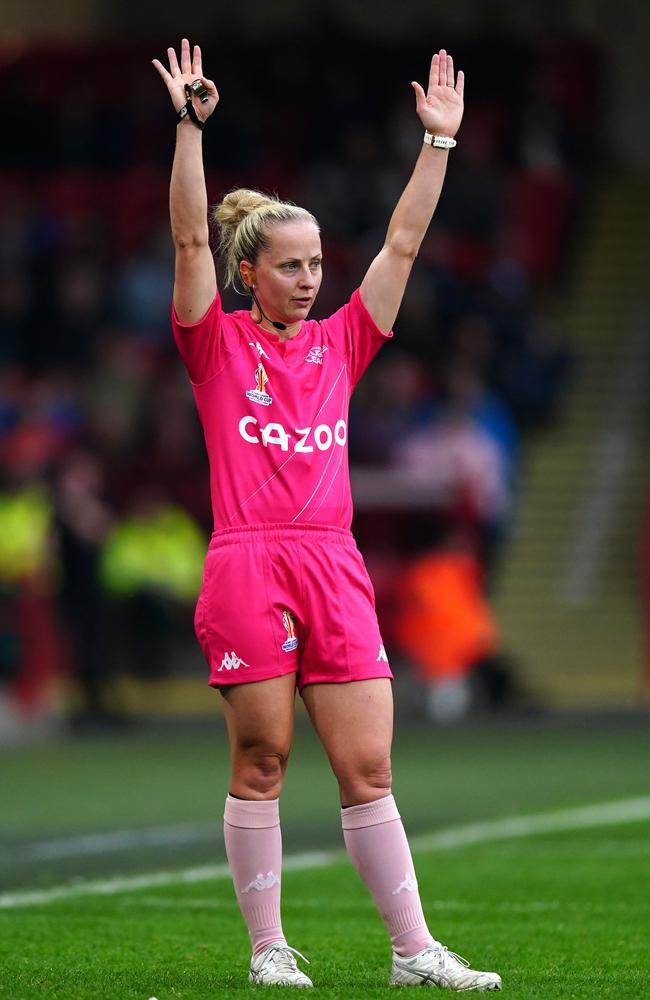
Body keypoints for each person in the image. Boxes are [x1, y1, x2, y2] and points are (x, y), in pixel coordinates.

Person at [153, 38, 502, 992]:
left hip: (332, 562)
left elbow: (401, 247)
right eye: (292, 266)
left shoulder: (344, 342)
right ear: (248, 276)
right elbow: (187, 238)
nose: (311, 279)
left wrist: (438, 145)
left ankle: (413, 952)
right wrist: (190, 130)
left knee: (371, 768)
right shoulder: (214, 347)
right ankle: (269, 949)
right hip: (248, 562)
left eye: (316, 264)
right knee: (262, 758)